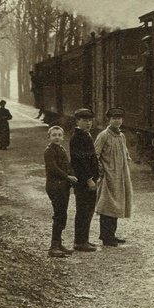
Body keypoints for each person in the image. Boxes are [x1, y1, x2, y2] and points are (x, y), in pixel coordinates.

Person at [94, 107, 133, 247]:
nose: (117, 121)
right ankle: (106, 237)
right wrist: (101, 171)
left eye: (119, 118)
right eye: (114, 118)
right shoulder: (103, 135)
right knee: (107, 205)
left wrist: (126, 162)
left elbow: (125, 153)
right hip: (108, 175)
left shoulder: (121, 136)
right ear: (109, 120)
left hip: (120, 176)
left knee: (117, 204)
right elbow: (95, 155)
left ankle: (112, 235)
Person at [43, 126, 77, 258]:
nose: (57, 137)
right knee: (59, 214)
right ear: (49, 137)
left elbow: (67, 166)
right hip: (54, 186)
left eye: (59, 135)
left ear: (63, 137)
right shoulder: (49, 151)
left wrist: (72, 176)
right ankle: (54, 246)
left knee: (62, 214)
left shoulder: (61, 149)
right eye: (54, 135)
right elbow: (53, 168)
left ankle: (59, 243)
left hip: (63, 186)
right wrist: (68, 177)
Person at [70, 108, 99, 252]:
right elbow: (80, 162)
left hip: (88, 180)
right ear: (77, 121)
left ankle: (84, 239)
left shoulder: (85, 135)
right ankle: (80, 242)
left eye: (90, 120)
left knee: (88, 210)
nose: (88, 123)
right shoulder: (78, 138)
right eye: (84, 120)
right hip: (83, 182)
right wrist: (89, 179)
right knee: (83, 210)